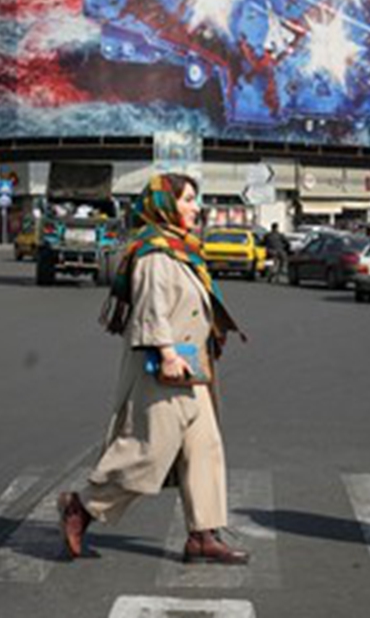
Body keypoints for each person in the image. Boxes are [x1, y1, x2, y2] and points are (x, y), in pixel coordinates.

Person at [59, 174, 249, 565]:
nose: (197, 207)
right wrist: (165, 352)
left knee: (205, 446)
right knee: (150, 448)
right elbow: (152, 307)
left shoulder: (180, 250)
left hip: (190, 364)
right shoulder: (154, 251)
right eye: (189, 200)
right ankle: (81, 506)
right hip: (163, 365)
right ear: (165, 205)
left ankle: (202, 535)